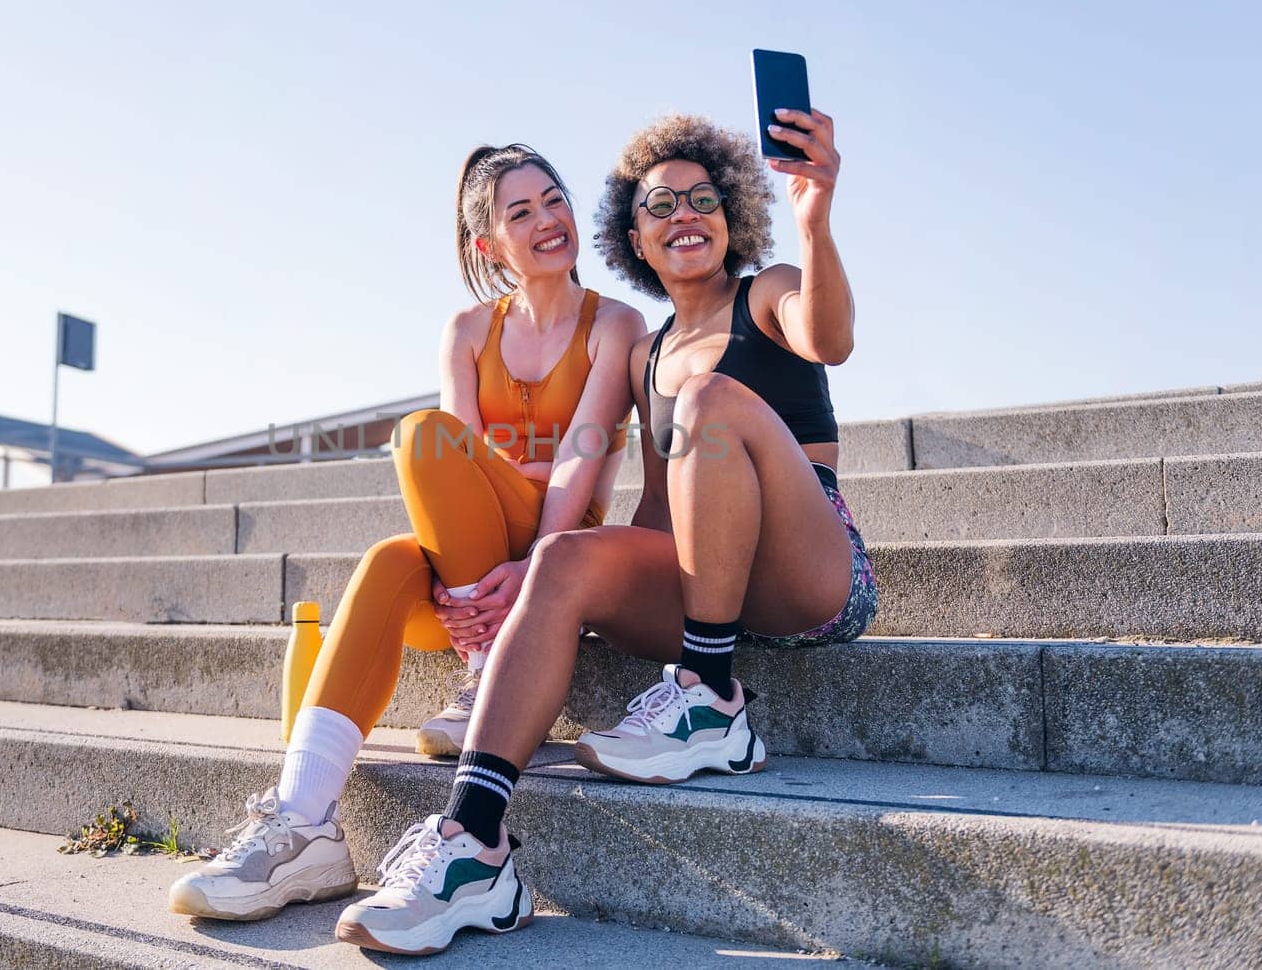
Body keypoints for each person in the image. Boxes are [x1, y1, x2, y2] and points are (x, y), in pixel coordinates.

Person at [335, 110, 875, 955]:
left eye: (704, 198)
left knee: (709, 403)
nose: (685, 214)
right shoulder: (644, 352)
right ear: (634, 236)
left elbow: (832, 339)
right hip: (716, 591)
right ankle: (472, 843)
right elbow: (663, 515)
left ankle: (712, 703)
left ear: (733, 215)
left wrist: (815, 219)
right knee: (563, 556)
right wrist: (559, 588)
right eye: (662, 204)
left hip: (814, 570)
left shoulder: (767, 293)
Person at [169, 144, 644, 927]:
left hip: (554, 568)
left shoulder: (615, 326)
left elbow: (575, 472)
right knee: (394, 549)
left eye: (554, 200)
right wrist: (502, 500)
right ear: (490, 245)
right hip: (474, 581)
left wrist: (530, 565)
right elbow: (454, 472)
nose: (547, 220)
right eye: (520, 212)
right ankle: (303, 823)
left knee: (427, 440)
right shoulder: (464, 329)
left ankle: (491, 668)